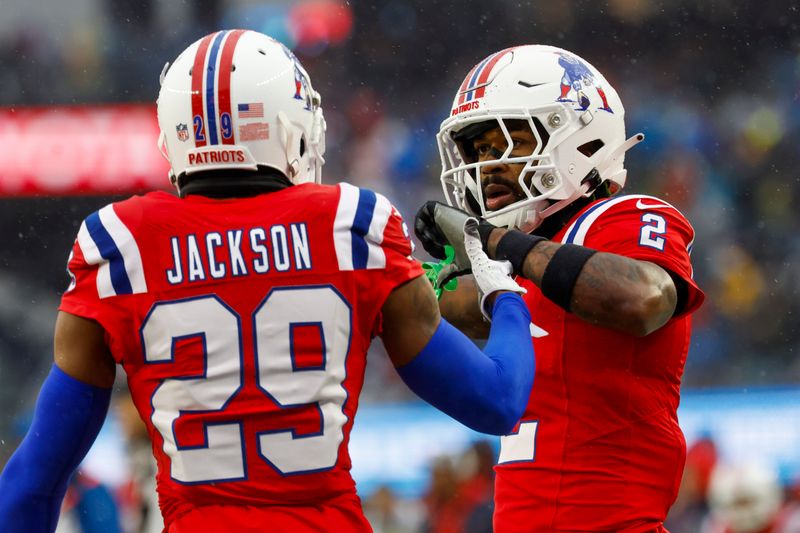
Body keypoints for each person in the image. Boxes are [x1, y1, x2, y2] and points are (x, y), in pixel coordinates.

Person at [0, 30, 536, 533]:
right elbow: (497, 402)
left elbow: (33, 486)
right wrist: (504, 293)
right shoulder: (351, 226)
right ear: (289, 127)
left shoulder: (119, 246)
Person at [415, 44, 705, 532]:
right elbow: (446, 304)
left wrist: (498, 242)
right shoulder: (521, 263)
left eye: (507, 142)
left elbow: (644, 298)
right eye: (479, 151)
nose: (487, 167)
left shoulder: (621, 217)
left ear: (579, 139)